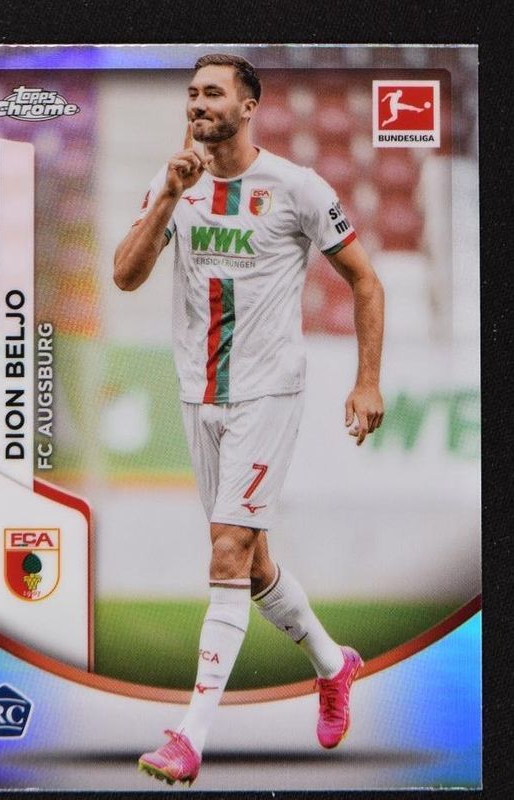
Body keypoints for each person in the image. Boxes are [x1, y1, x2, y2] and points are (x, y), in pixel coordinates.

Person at [114, 53, 384, 787]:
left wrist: (366, 380)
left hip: (268, 394)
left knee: (229, 550)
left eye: (213, 93)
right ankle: (333, 665)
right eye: (191, 94)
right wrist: (169, 198)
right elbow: (125, 275)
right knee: (254, 564)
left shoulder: (298, 188)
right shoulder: (174, 182)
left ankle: (189, 736)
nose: (198, 104)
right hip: (197, 395)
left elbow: (365, 280)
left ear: (249, 106)